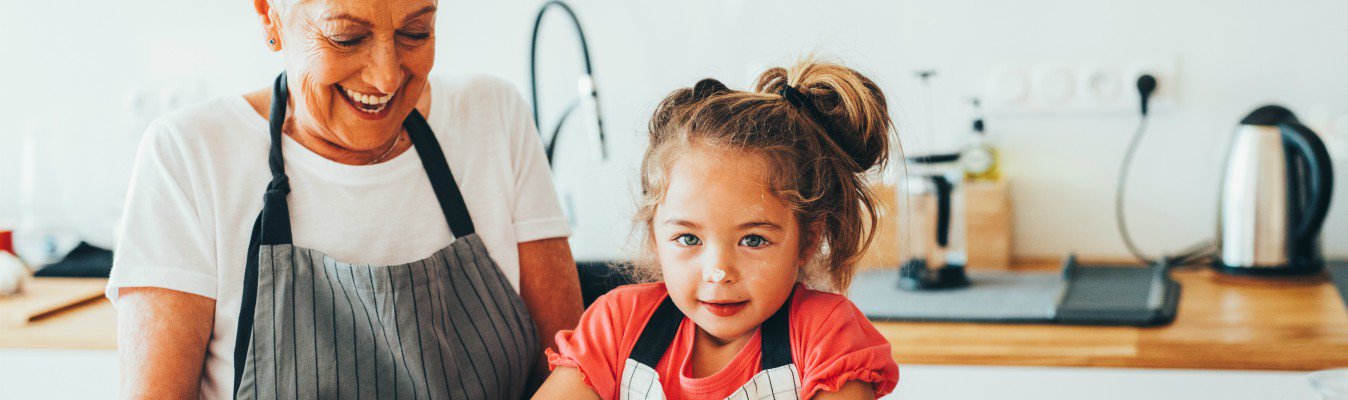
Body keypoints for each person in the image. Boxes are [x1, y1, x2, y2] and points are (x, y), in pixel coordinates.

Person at [107, 0, 583, 398]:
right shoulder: (191, 155)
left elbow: (573, 376)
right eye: (346, 38)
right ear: (268, 15)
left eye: (415, 32)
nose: (386, 77)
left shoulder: (494, 118)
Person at [535, 59, 901, 399]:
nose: (720, 271)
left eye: (753, 240)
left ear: (808, 239)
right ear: (655, 237)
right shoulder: (617, 326)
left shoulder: (826, 336)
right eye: (688, 238)